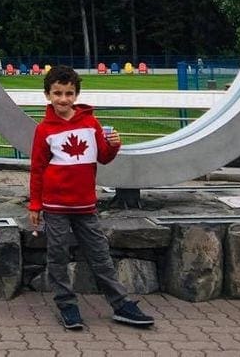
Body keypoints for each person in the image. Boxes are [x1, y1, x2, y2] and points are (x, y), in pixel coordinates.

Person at [28, 66, 154, 331]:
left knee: (100, 256)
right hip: (56, 206)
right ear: (47, 95)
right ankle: (67, 305)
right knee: (58, 256)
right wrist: (35, 205)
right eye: (58, 93)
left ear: (76, 95)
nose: (63, 99)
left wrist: (114, 145)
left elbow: (103, 157)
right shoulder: (44, 130)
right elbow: (38, 169)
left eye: (69, 93)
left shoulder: (90, 123)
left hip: (85, 205)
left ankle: (120, 304)